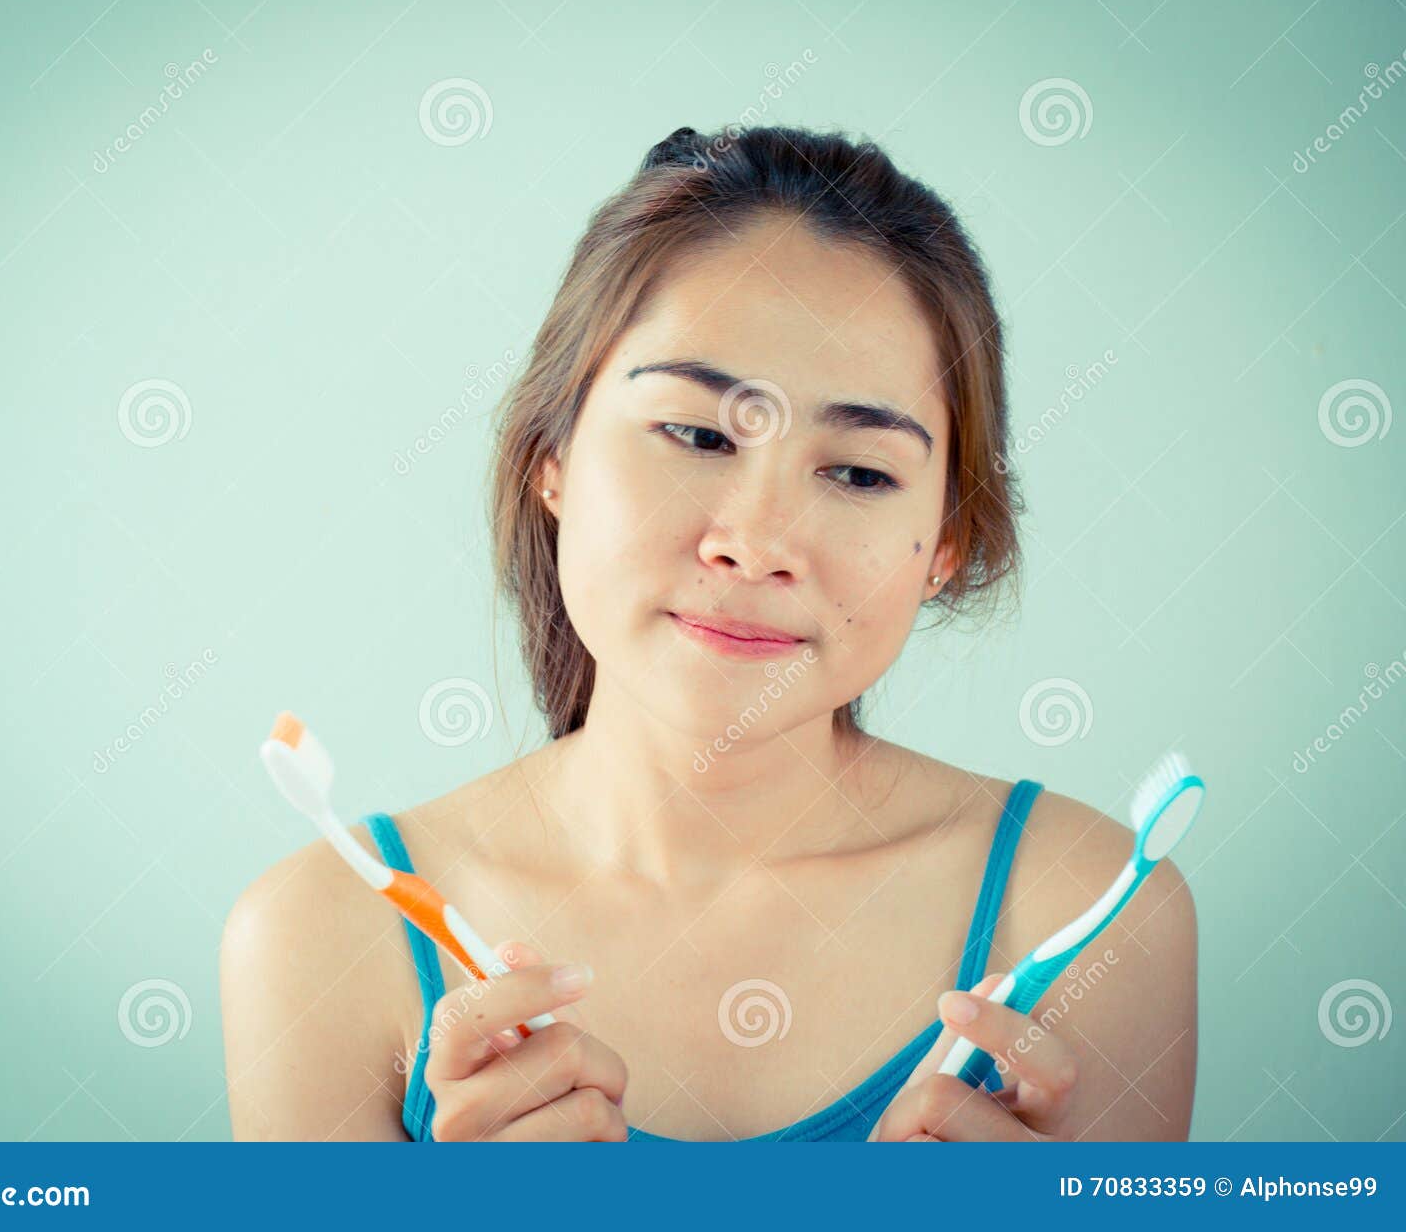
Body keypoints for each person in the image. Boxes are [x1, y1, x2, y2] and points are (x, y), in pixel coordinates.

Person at [220, 124, 1198, 1142]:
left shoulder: (1094, 917)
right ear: (549, 457)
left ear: (944, 540)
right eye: (695, 435)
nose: (757, 543)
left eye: (859, 472)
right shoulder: (319, 937)